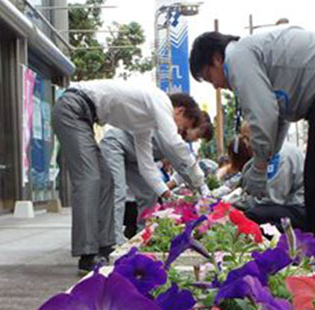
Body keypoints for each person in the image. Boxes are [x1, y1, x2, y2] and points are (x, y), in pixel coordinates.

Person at [189, 26, 315, 264]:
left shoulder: (237, 55)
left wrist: (261, 166)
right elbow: (278, 119)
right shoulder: (254, 54)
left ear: (216, 59)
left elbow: (264, 116)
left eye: (211, 78)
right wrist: (263, 159)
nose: (217, 86)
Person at [52, 80, 206, 272]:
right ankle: (87, 254)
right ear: (180, 111)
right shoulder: (160, 100)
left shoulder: (144, 124)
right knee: (89, 178)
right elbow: (174, 143)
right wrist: (199, 178)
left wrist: (168, 194)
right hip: (72, 109)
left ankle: (105, 245)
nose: (180, 132)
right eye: (182, 128)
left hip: (83, 116)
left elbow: (146, 166)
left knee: (107, 180)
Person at [99, 97, 212, 245]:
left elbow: (181, 166)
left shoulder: (175, 133)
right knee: (117, 191)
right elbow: (182, 164)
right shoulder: (168, 127)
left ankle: (143, 236)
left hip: (135, 158)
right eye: (196, 135)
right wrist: (204, 192)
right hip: (116, 145)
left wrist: (174, 192)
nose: (193, 140)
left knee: (149, 195)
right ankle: (111, 243)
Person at [224, 134, 307, 231]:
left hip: (297, 208)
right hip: (287, 205)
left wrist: (236, 204)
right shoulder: (265, 155)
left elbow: (273, 198)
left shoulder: (280, 155)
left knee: (251, 216)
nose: (246, 144)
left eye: (247, 138)